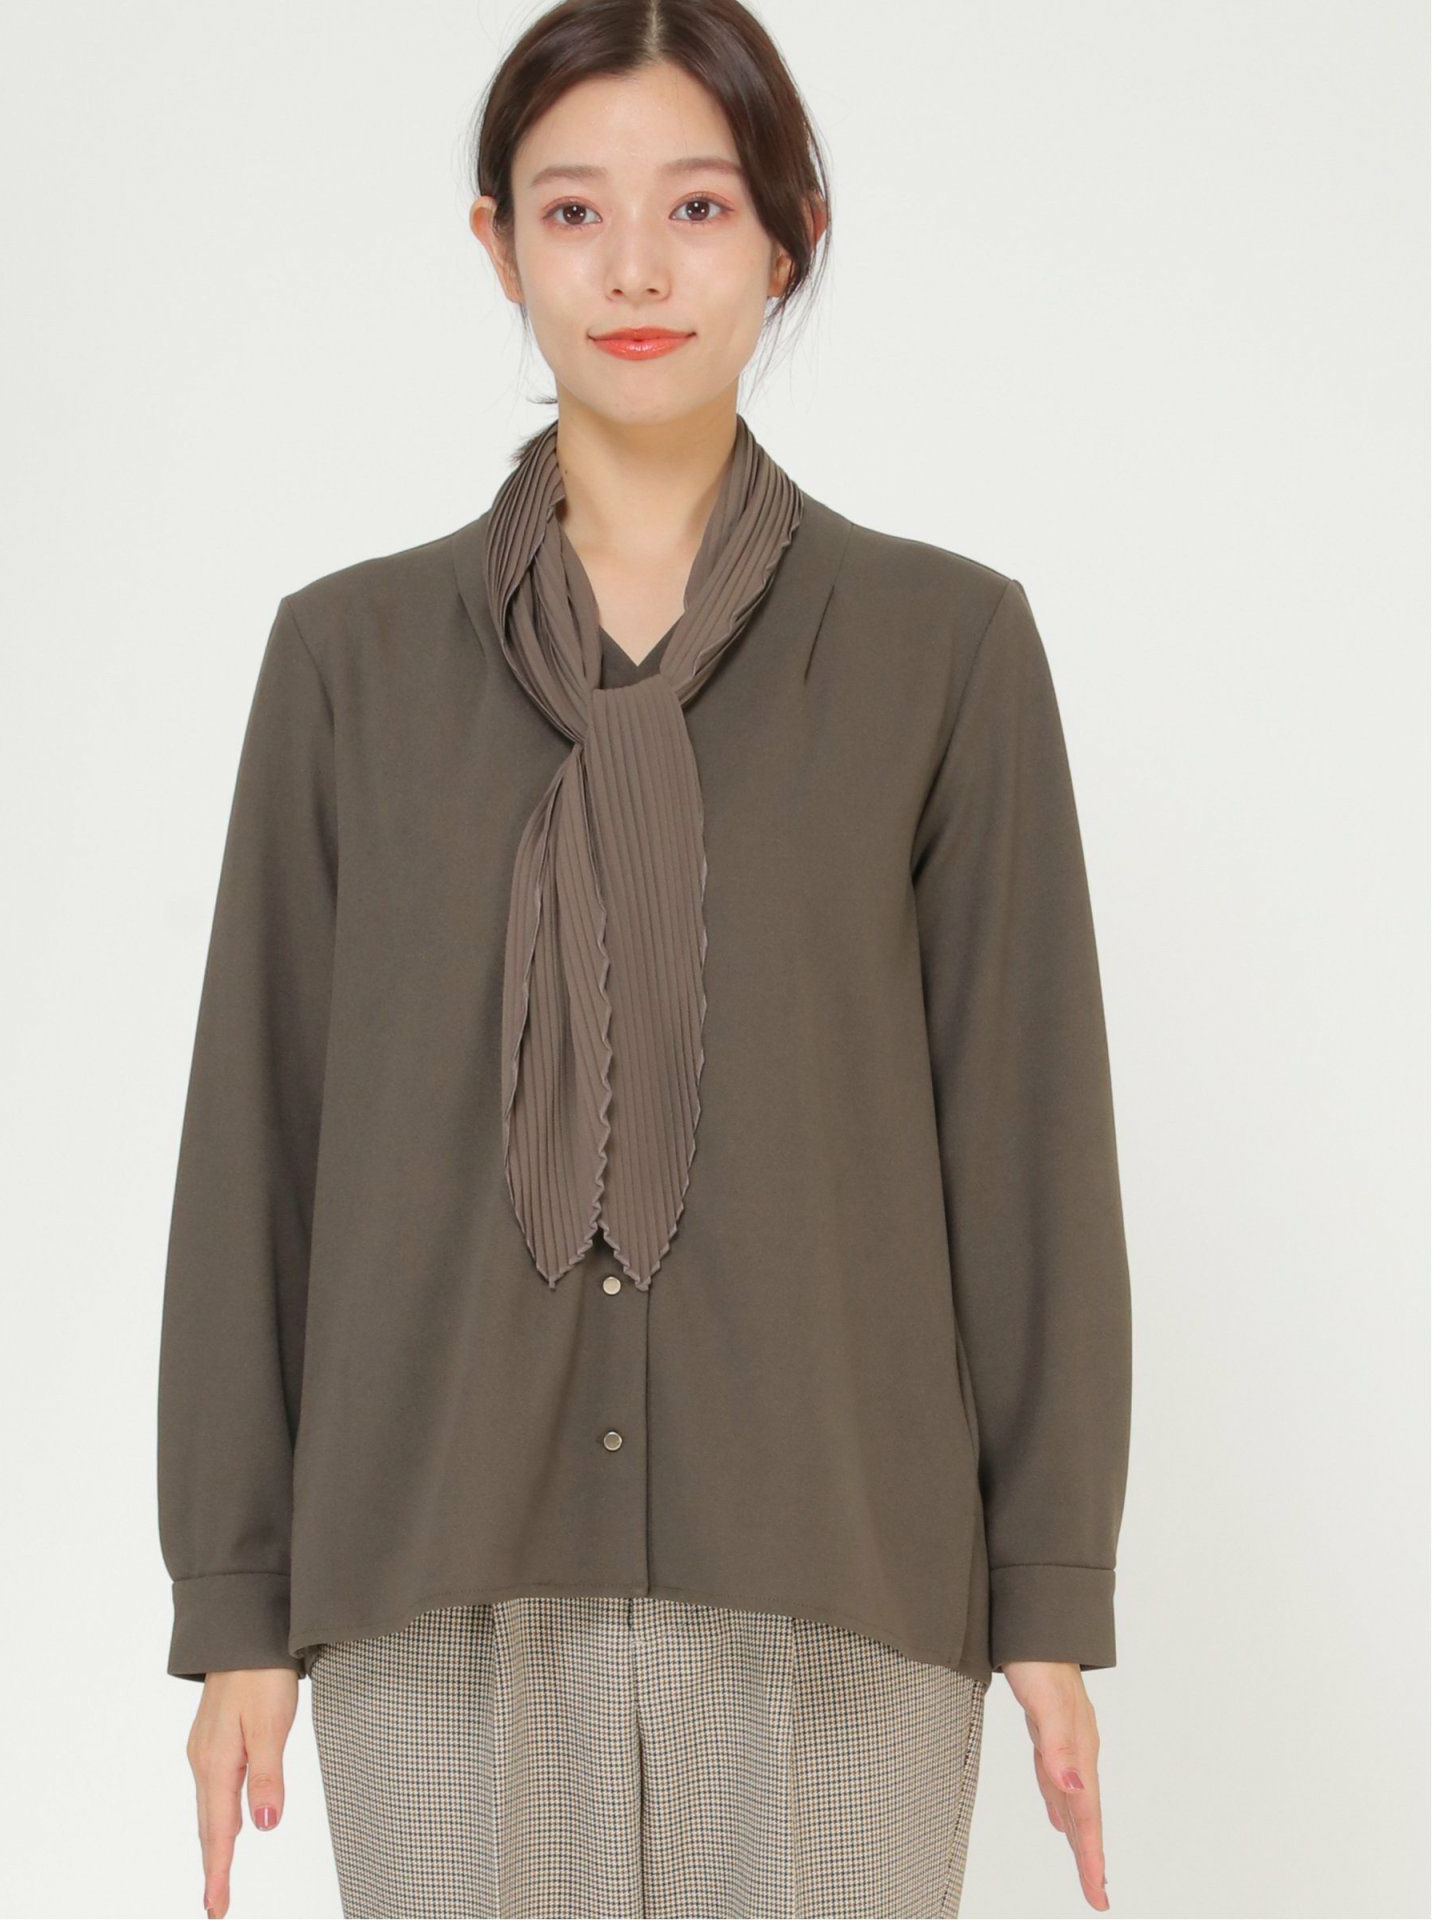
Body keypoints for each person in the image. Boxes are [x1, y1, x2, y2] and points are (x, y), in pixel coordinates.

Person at [156, 2, 1133, 1916]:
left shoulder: (942, 654)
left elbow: (1023, 1145)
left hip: (837, 1583)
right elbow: (258, 1143)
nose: (632, 271)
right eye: (572, 210)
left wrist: (1047, 1594)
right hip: (435, 1579)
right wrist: (236, 1602)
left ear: (790, 234)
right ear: (495, 243)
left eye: (695, 206)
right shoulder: (350, 665)